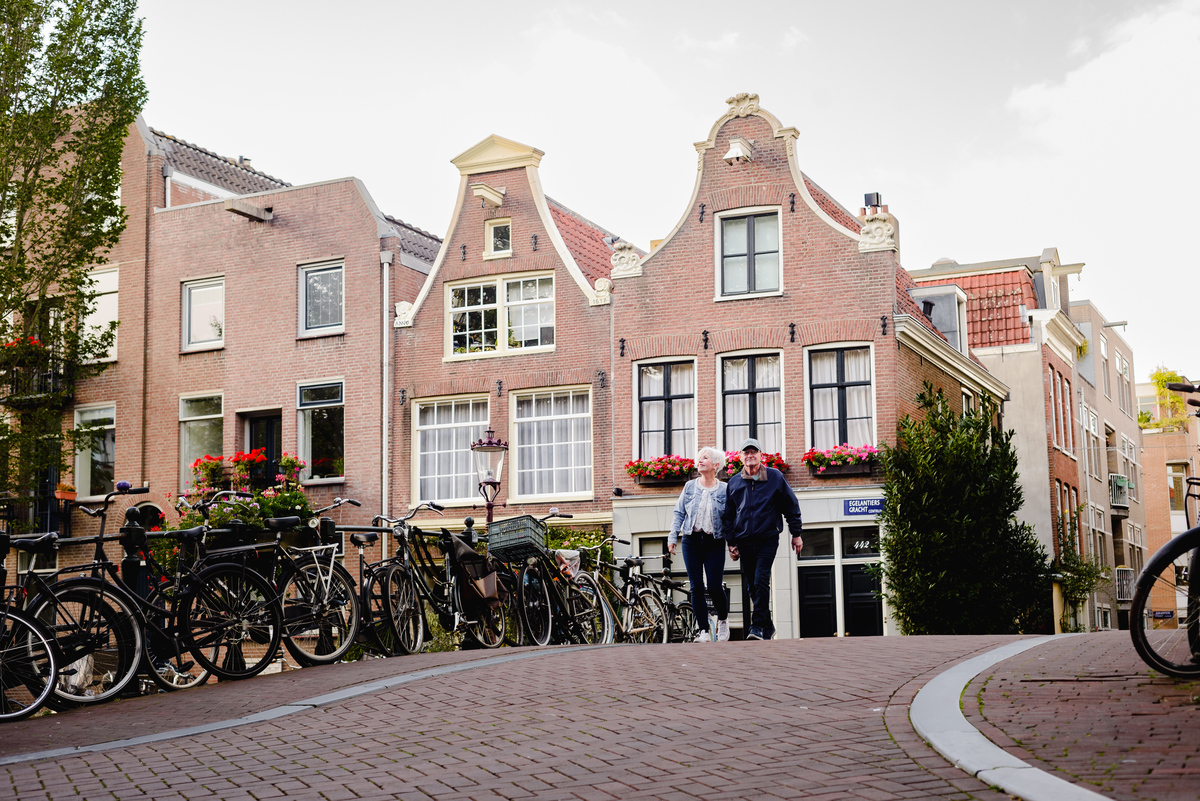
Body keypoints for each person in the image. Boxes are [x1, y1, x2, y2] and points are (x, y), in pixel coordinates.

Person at [722, 438, 803, 640]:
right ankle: (768, 626)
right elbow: (728, 515)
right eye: (746, 453)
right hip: (744, 540)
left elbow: (790, 505)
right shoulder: (734, 482)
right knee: (752, 585)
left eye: (754, 452)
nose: (750, 456)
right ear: (740, 457)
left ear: (761, 455)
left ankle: (756, 626)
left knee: (760, 580)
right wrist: (731, 542)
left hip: (768, 538)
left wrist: (797, 534)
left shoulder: (775, 477)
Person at [667, 446, 730, 642]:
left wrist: (733, 542)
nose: (700, 461)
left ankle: (723, 620)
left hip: (714, 542)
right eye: (699, 458)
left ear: (716, 465)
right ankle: (703, 631)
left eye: (705, 458)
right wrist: (672, 536)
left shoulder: (725, 489)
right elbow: (679, 513)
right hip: (691, 541)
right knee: (696, 587)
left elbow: (730, 518)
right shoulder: (689, 487)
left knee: (713, 586)